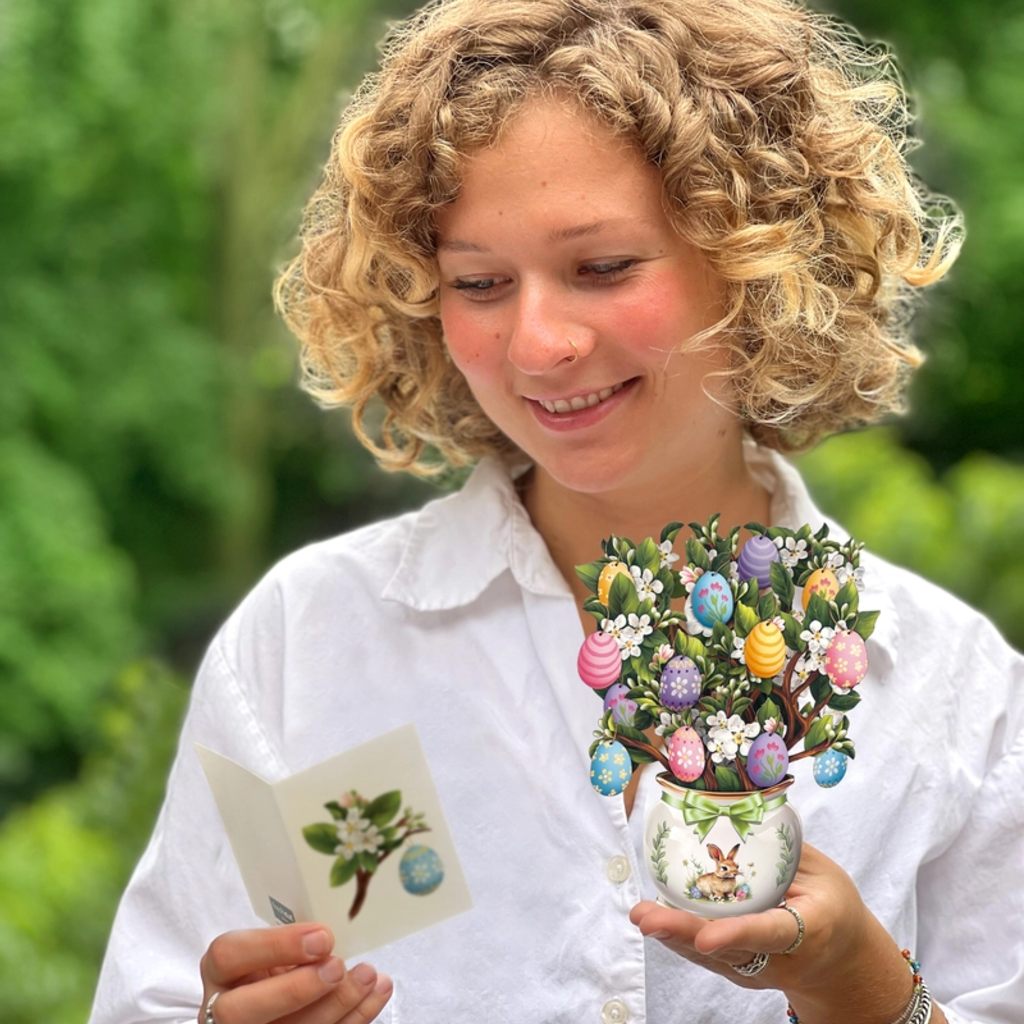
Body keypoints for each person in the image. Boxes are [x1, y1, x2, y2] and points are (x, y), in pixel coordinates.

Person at [89, 1, 1024, 1023]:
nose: (538, 343)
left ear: (760, 260)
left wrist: (866, 992)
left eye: (603, 267)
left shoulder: (955, 693)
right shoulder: (310, 642)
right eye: (480, 282)